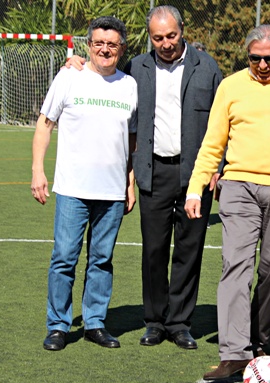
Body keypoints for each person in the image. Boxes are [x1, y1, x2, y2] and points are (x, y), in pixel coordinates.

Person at [67, 6, 223, 350]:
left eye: (171, 36)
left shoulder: (207, 67)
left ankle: (180, 323)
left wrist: (218, 166)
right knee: (153, 250)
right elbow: (103, 76)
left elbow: (224, 119)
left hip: (196, 173)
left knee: (189, 249)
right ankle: (154, 321)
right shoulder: (136, 67)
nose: (166, 43)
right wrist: (74, 63)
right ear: (150, 38)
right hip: (153, 171)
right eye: (158, 38)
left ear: (182, 30)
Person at [184, 24, 270, 380]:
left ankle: (257, 339)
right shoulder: (231, 87)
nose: (261, 65)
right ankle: (234, 353)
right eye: (254, 58)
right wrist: (196, 188)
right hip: (238, 186)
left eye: (269, 59)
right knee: (236, 266)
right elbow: (213, 142)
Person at [31, 16, 138, 351]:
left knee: (102, 260)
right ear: (89, 45)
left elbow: (131, 138)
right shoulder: (69, 77)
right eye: (98, 43)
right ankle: (58, 326)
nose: (105, 49)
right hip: (72, 189)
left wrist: (129, 181)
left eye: (112, 44)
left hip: (112, 191)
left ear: (122, 48)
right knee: (64, 258)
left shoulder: (129, 85)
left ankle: (94, 322)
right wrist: (37, 170)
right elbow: (45, 124)